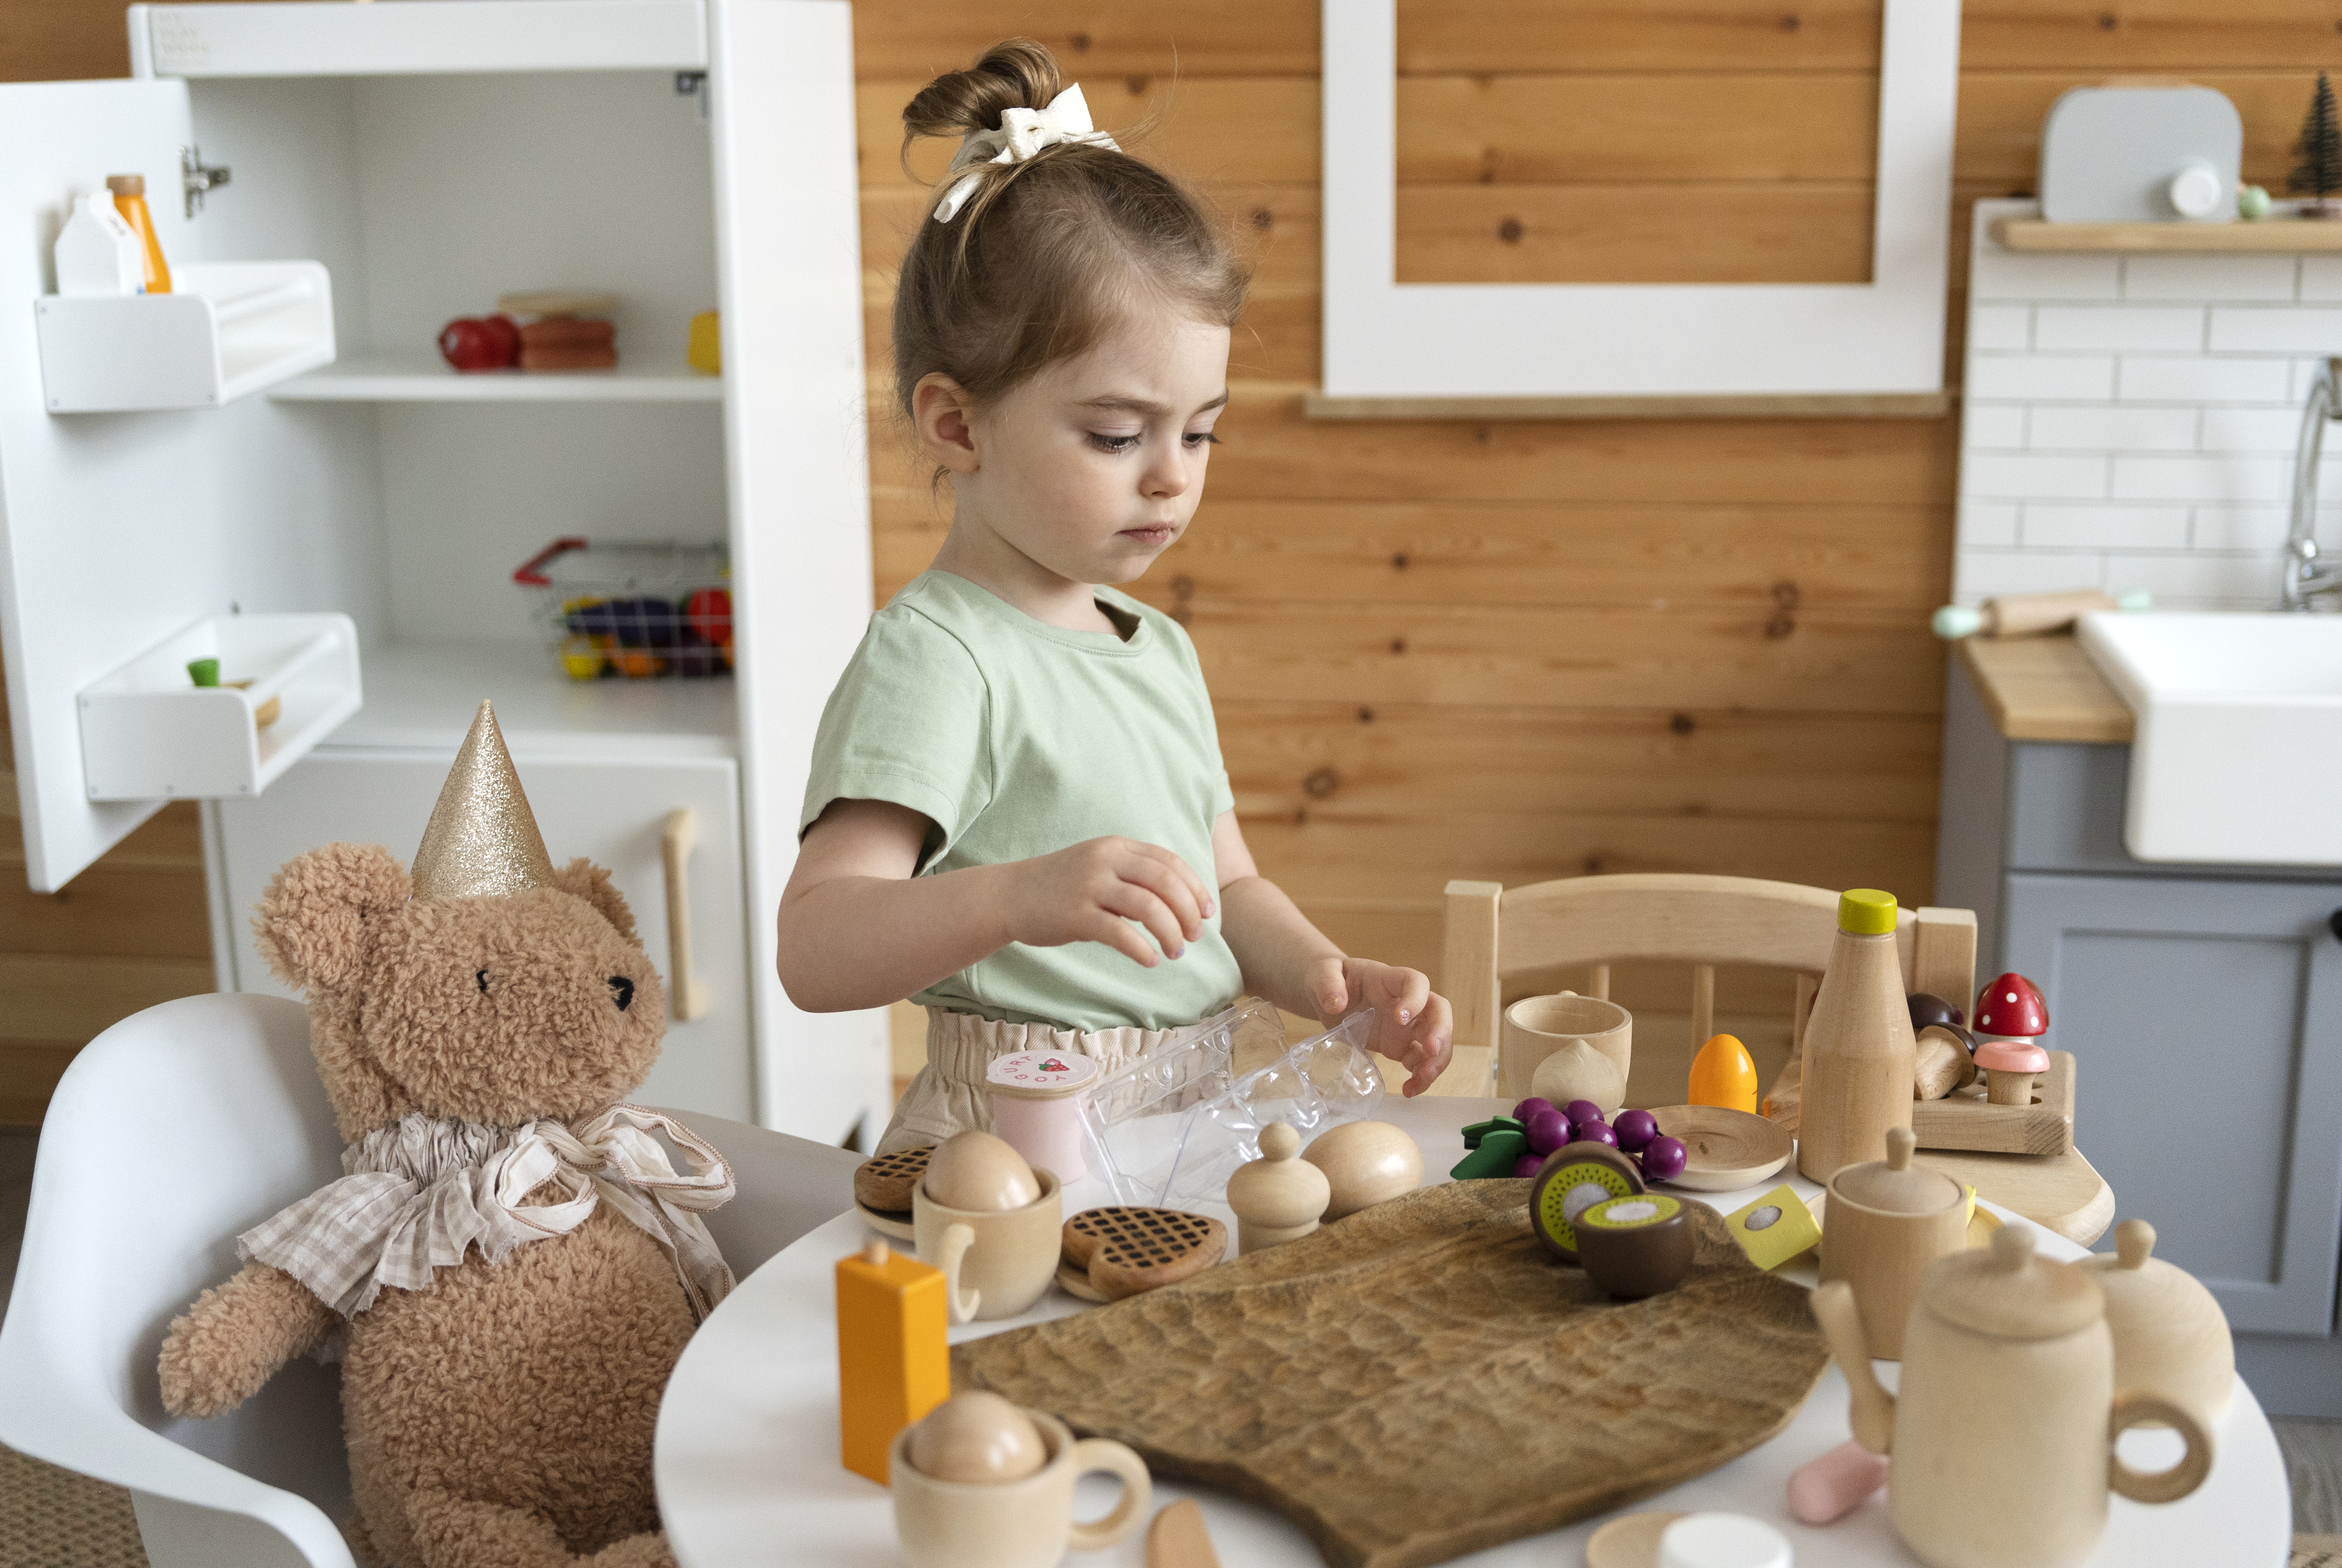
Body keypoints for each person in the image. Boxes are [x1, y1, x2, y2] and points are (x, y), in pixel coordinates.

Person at [775, 38, 1453, 1153]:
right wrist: (1016, 897)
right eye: (1116, 434)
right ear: (957, 425)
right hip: (1014, 1133)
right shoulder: (940, 657)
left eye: (1200, 432)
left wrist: (1332, 981)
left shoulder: (1157, 649)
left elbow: (1226, 895)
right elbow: (816, 948)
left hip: (1184, 1112)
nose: (1171, 474)